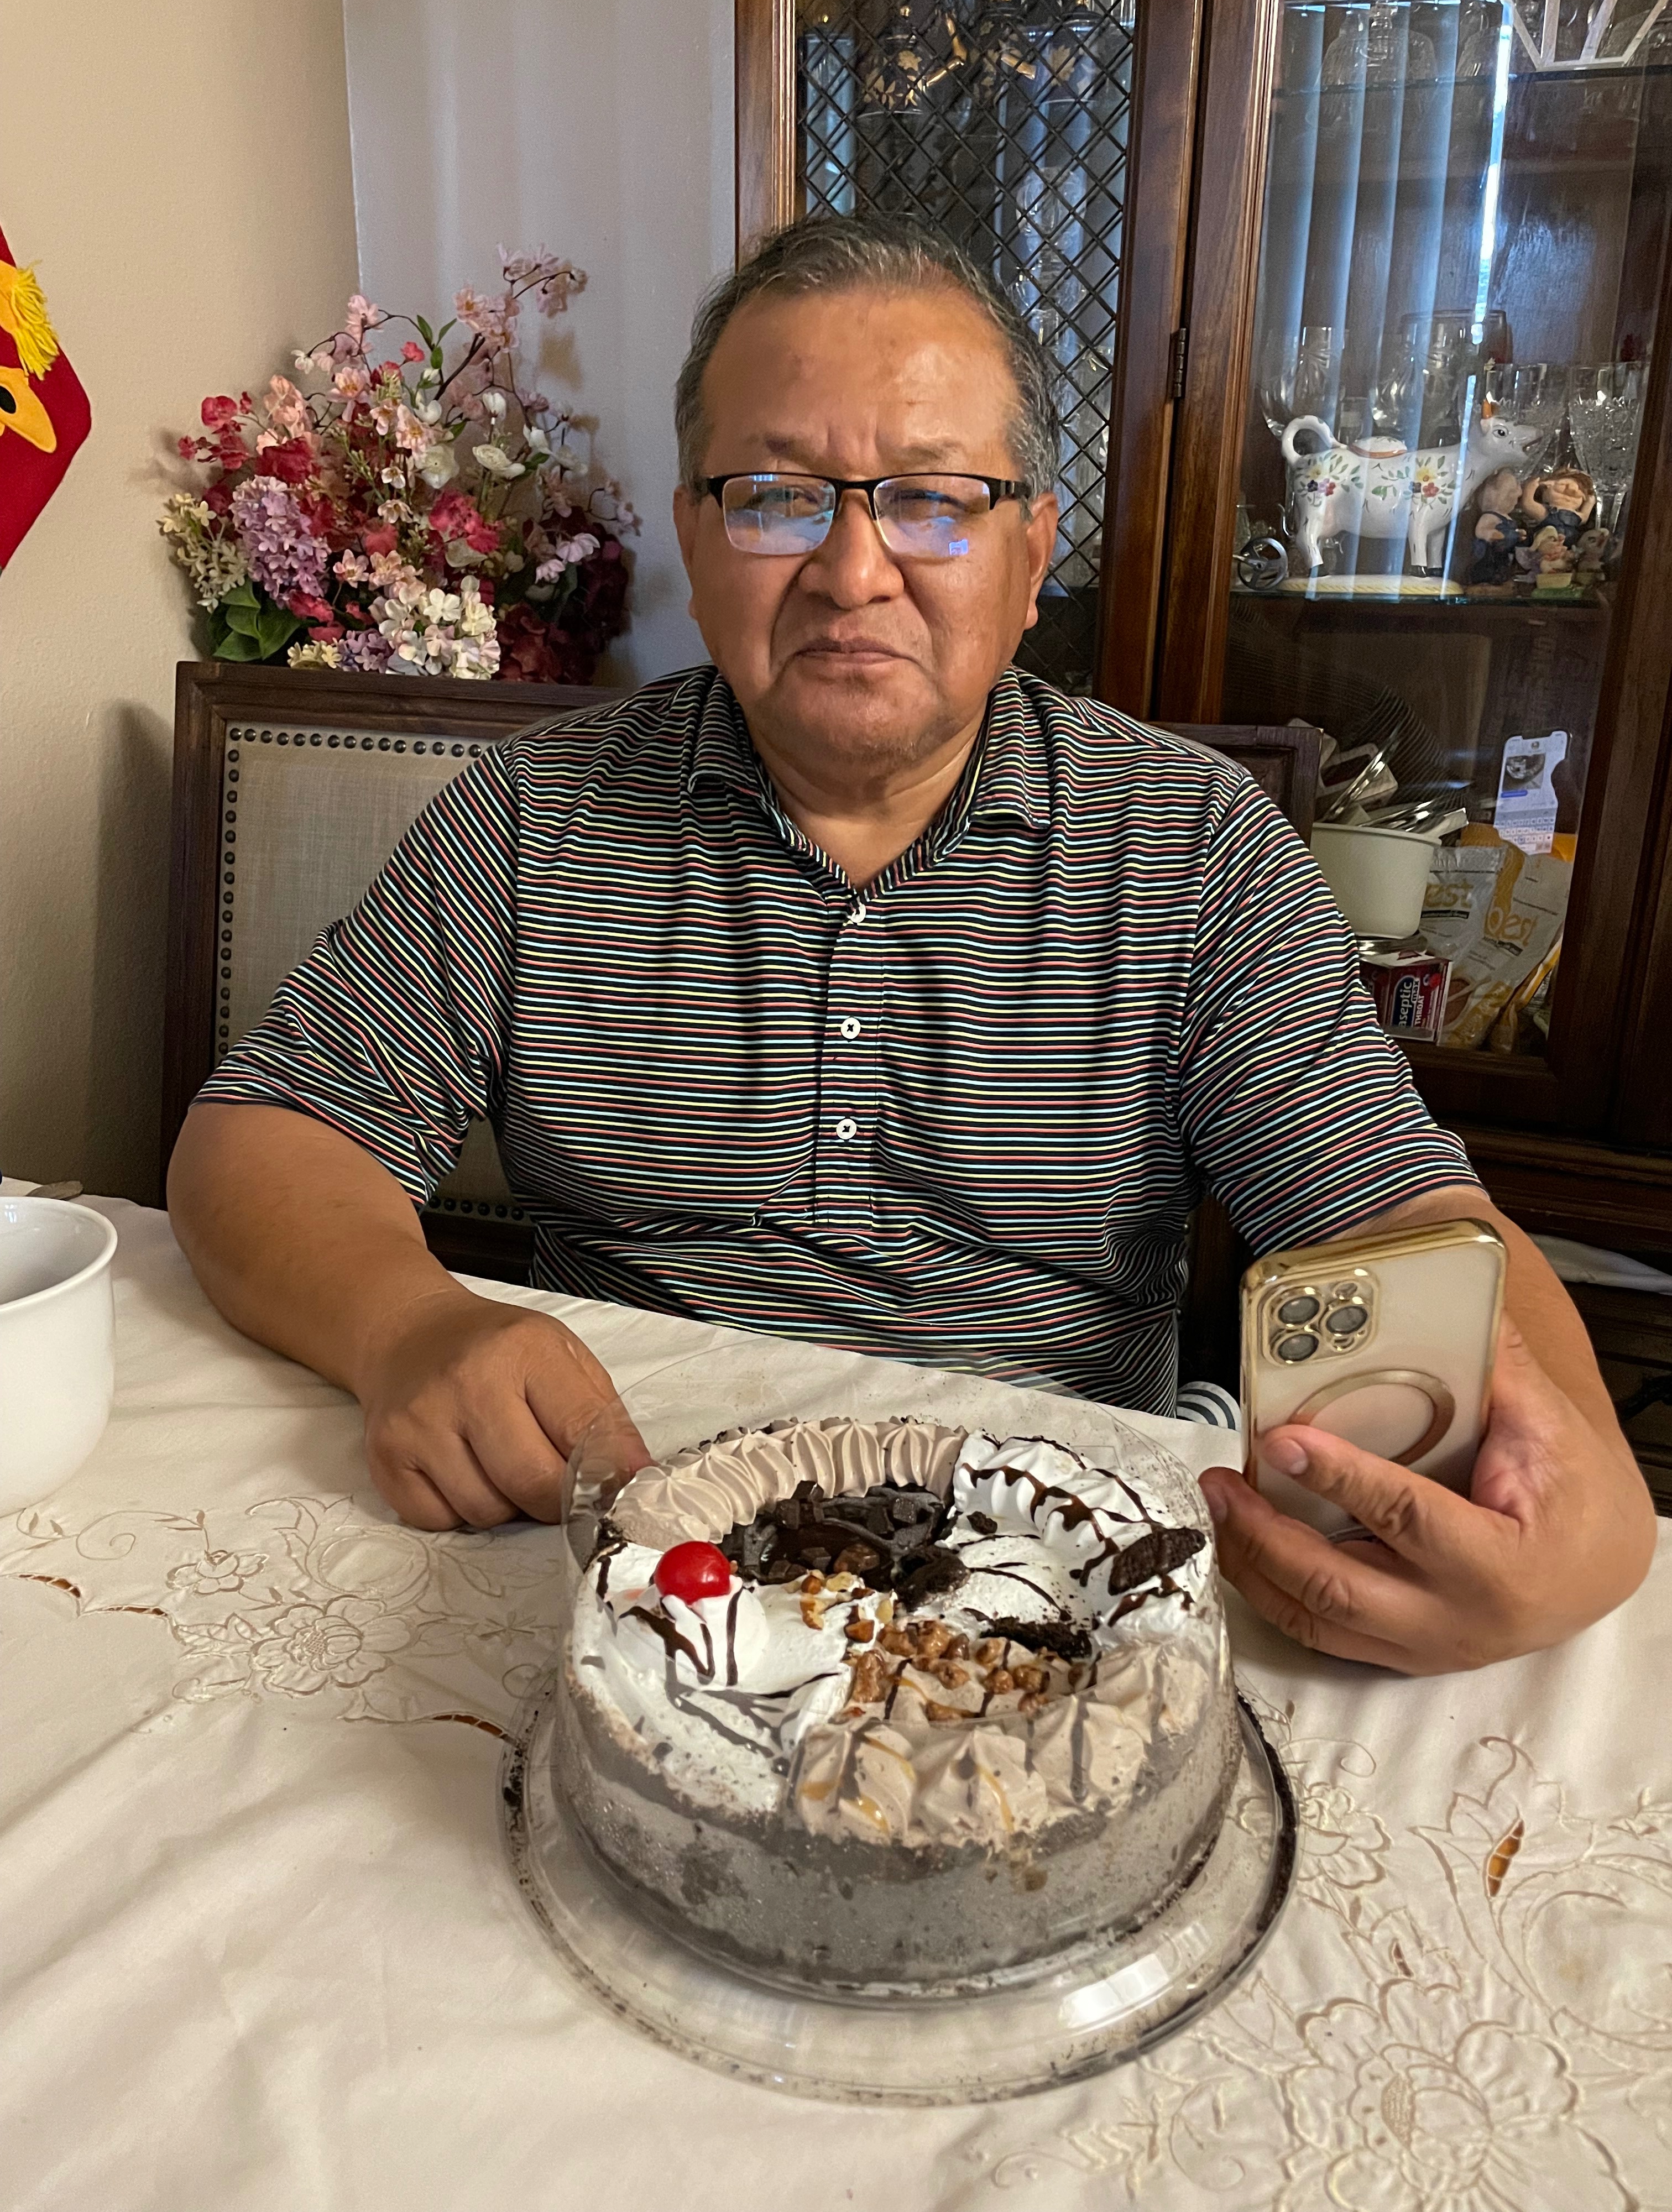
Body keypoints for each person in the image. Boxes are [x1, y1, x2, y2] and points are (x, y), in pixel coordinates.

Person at [168, 216, 1654, 1676]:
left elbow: (1396, 1220)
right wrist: (407, 1324)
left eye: (934, 500)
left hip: (1053, 1582)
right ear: (694, 536)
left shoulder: (1191, 843)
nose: (854, 569)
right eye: (775, 496)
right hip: (639, 1554)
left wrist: (1588, 1501)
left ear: (1032, 552)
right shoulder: (532, 816)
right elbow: (267, 1136)